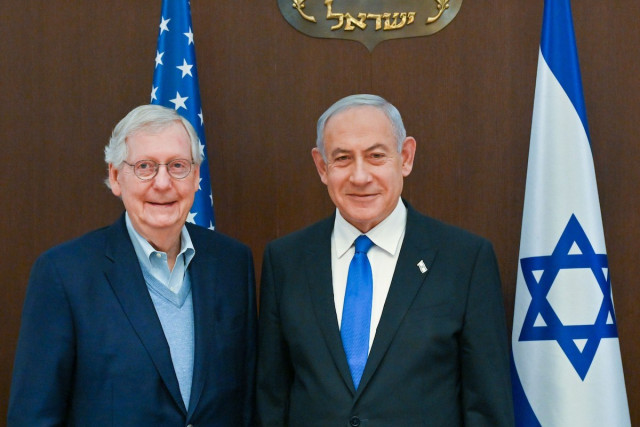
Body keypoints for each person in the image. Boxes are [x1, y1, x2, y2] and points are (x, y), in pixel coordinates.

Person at [256, 94, 513, 426]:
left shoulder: (465, 260)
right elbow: (272, 400)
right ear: (322, 167)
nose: (360, 177)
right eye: (343, 158)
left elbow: (487, 407)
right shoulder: (286, 261)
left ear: (405, 157)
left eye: (376, 156)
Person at [8, 105, 256, 426]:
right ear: (115, 177)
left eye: (178, 166)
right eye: (145, 167)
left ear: (197, 177)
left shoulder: (232, 263)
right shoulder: (64, 274)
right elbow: (33, 417)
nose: (163, 183)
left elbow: (247, 402)